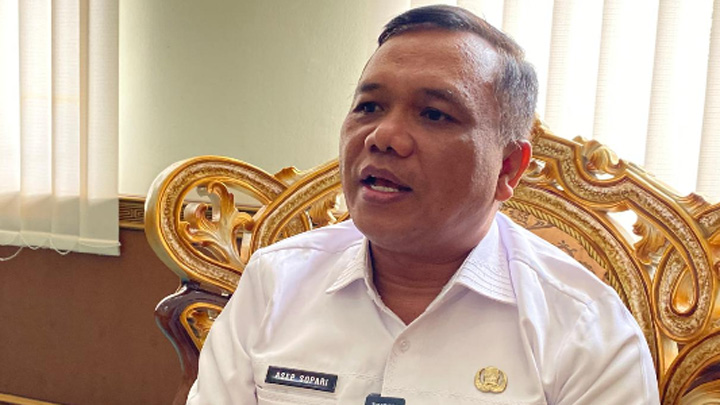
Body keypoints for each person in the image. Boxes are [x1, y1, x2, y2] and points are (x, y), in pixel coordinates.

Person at [187, 5, 659, 405]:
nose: (383, 136)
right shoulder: (275, 283)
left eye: (434, 114)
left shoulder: (584, 328)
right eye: (369, 107)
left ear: (508, 168)